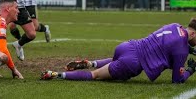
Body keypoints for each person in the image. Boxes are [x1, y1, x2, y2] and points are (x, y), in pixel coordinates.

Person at [41, 19, 196, 84]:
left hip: (128, 46)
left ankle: (92, 63)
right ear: (194, 33)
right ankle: (56, 74)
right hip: (132, 63)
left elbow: (172, 43)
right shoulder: (181, 51)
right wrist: (190, 70)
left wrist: (191, 50)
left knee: (116, 61)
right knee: (94, 76)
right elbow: (177, 80)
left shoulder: (175, 25)